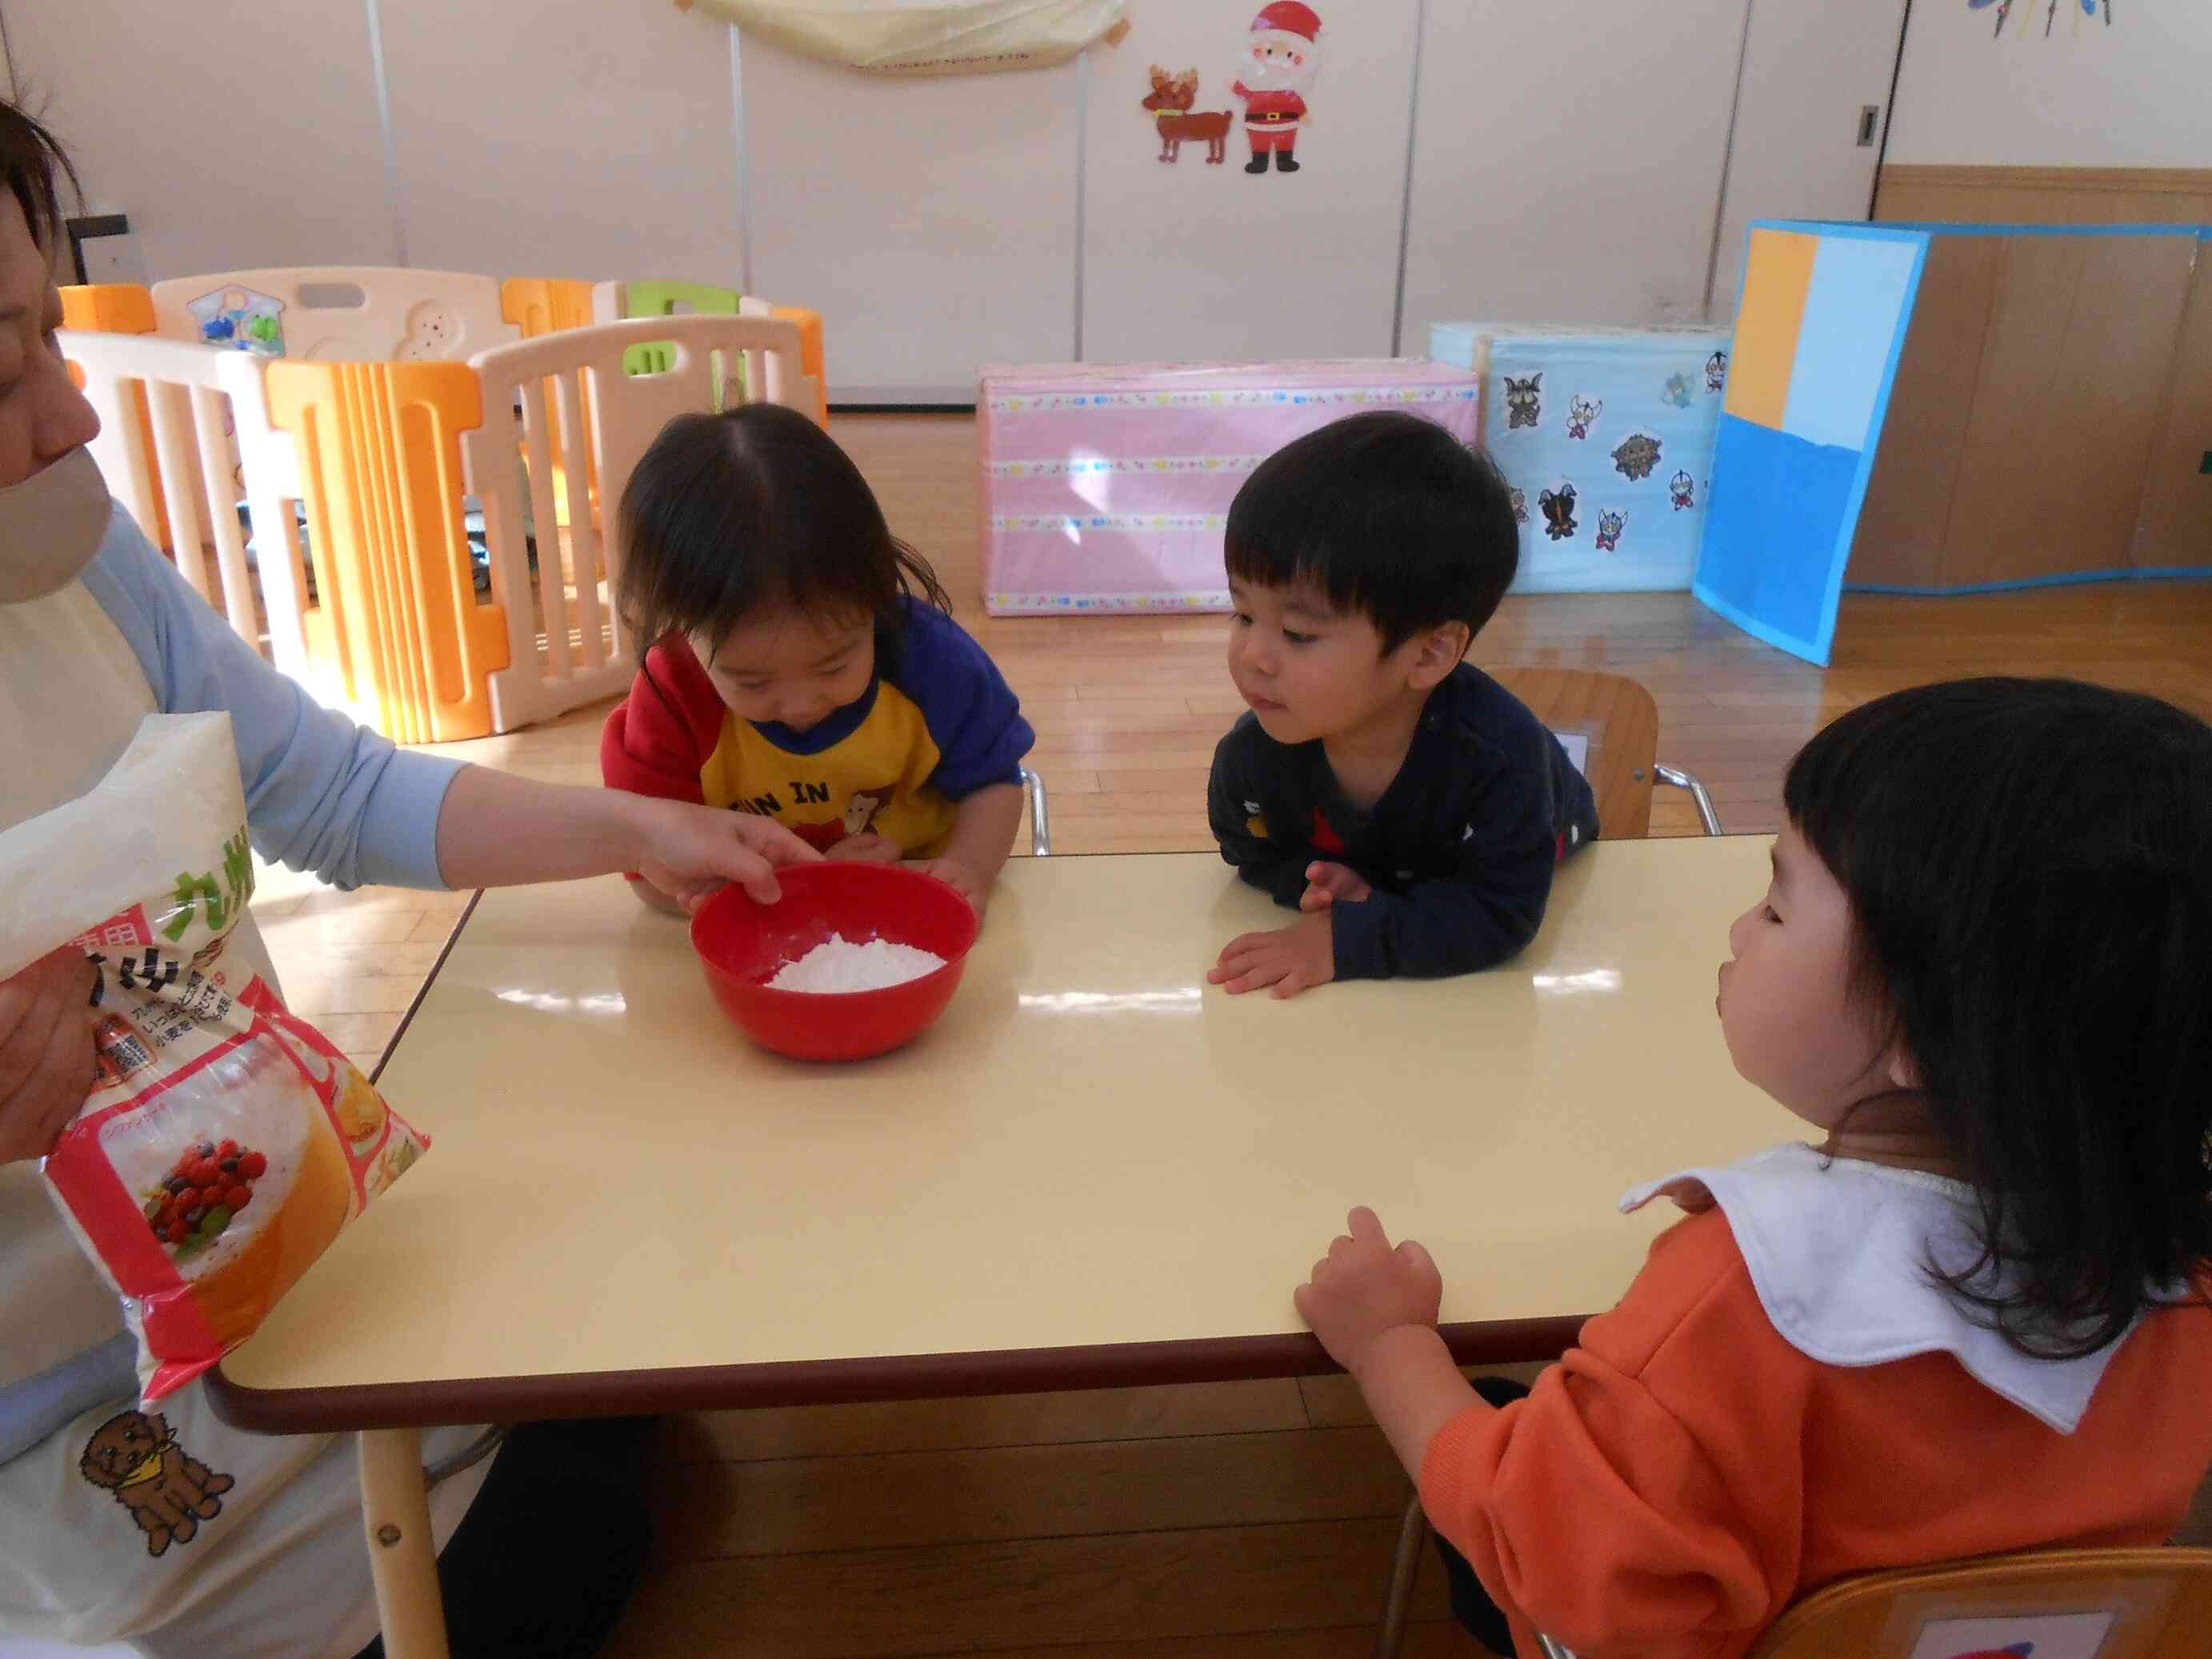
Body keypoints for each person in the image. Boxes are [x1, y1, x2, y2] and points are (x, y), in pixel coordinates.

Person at [0, 101, 816, 1659]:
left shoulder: (76, 559)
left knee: (649, 1336)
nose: (70, 413)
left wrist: (647, 829)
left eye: (49, 332)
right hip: (59, 1414)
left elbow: (335, 785)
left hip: (284, 1226)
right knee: (563, 1537)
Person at [1294, 678, 2212, 1657]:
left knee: (1485, 1411)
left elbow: (1532, 1548)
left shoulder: (1733, 1303)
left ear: (1935, 1034)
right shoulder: (2186, 1294)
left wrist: (1389, 1343)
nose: (1738, 929)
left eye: (1775, 905)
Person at [1206, 411, 1597, 1000]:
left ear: (1429, 652)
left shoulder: (1498, 758)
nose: (1252, 655)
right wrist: (1312, 885)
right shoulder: (1252, 758)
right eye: (1242, 614)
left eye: (1298, 633)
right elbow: (1251, 850)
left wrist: (1345, 940)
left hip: (1542, 850)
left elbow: (1500, 914)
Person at [600, 404, 1033, 918]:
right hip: (763, 913)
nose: (801, 705)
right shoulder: (672, 698)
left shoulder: (931, 660)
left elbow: (995, 783)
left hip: (913, 893)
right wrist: (756, 887)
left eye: (834, 667)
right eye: (752, 682)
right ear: (680, 629)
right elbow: (648, 871)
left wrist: (968, 869)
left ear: (873, 596)